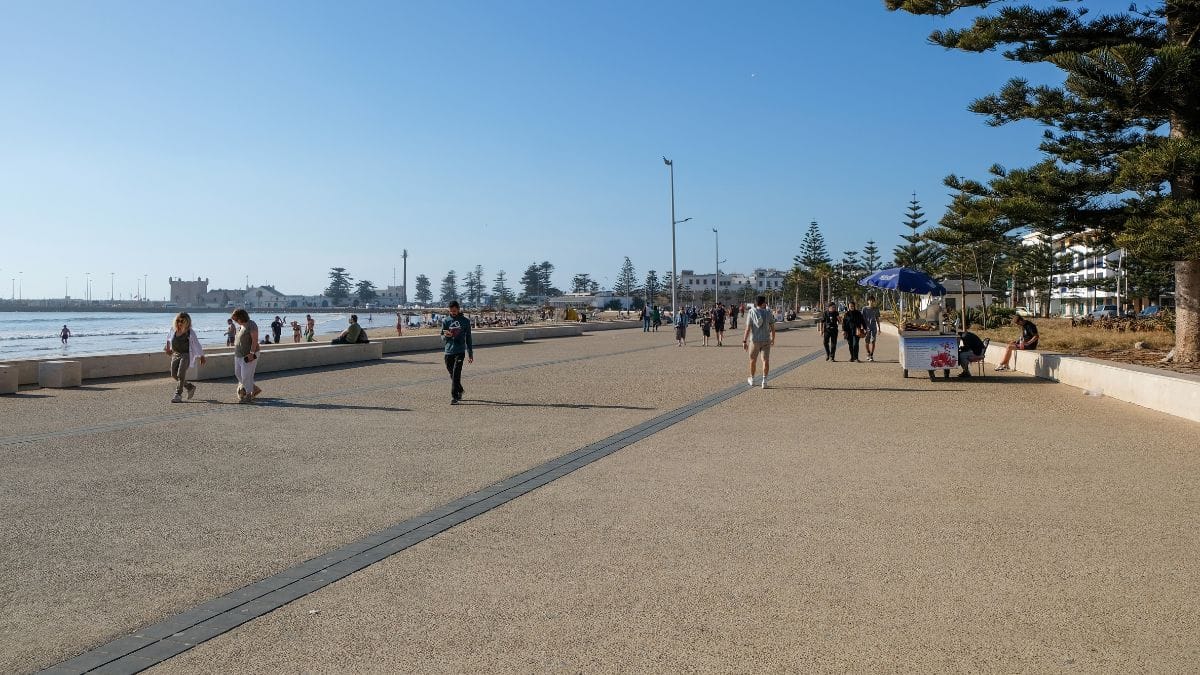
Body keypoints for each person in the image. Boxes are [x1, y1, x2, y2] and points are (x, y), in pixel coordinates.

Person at [164, 312, 207, 403]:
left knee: (181, 374)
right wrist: (168, 348)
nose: (180, 322)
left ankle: (178, 394)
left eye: (182, 321)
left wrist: (202, 356)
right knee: (173, 374)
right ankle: (189, 387)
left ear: (187, 322)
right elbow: (168, 339)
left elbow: (196, 344)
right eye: (178, 320)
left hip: (186, 355)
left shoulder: (190, 332)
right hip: (176, 354)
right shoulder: (173, 330)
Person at [441, 300, 474, 404]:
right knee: (452, 373)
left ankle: (454, 397)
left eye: (454, 311)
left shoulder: (465, 321)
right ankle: (460, 389)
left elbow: (468, 337)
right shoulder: (446, 320)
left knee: (456, 374)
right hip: (448, 351)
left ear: (458, 309)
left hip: (460, 351)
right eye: (451, 311)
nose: (453, 313)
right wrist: (446, 336)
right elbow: (442, 336)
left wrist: (470, 353)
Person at [742, 295, 776, 389]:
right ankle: (764, 381)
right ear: (764, 303)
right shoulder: (768, 312)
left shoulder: (751, 312)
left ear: (756, 303)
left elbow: (747, 328)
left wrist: (744, 341)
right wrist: (773, 338)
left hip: (754, 340)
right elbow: (773, 327)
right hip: (766, 340)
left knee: (753, 360)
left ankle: (752, 379)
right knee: (765, 360)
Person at [231, 308, 260, 403]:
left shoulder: (251, 324)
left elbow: (255, 340)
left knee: (245, 375)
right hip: (238, 355)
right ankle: (254, 388)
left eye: (236, 319)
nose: (235, 321)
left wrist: (251, 353)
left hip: (249, 355)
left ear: (241, 317)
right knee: (238, 373)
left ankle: (248, 395)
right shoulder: (241, 326)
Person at [861, 296, 881, 362]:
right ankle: (868, 353)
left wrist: (879, 328)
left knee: (873, 341)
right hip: (866, 327)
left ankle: (871, 355)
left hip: (874, 327)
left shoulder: (876, 309)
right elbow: (862, 319)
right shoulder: (864, 309)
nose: (871, 302)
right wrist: (862, 327)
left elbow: (877, 319)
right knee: (867, 341)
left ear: (874, 301)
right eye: (870, 300)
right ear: (868, 301)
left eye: (872, 301)